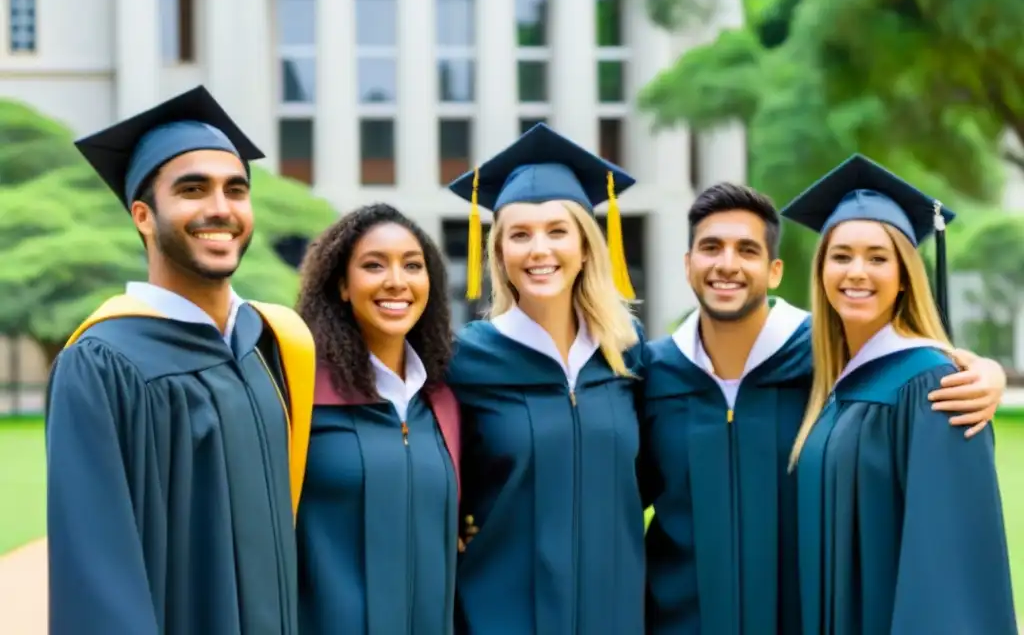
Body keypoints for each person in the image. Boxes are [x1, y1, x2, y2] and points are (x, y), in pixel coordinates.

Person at [641, 182, 1007, 635]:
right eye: (711, 247)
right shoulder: (652, 372)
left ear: (776, 270)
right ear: (687, 264)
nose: (727, 264)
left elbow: (946, 558)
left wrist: (984, 371)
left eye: (878, 257)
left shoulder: (835, 366)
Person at [45, 86, 315, 635]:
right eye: (193, 189)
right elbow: (96, 578)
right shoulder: (102, 362)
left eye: (235, 190)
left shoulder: (270, 343)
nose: (221, 208)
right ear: (143, 215)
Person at [783, 154, 1017, 634]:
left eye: (878, 257)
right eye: (841, 255)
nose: (856, 272)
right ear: (821, 269)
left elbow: (948, 568)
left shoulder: (933, 384)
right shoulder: (830, 378)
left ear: (906, 274)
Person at [446, 123, 646, 635]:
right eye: (519, 235)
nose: (539, 250)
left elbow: (653, 471)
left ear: (585, 247)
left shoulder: (626, 352)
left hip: (614, 610)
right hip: (501, 614)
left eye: (558, 231)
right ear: (499, 254)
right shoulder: (464, 360)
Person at [293, 203, 461, 634]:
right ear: (343, 286)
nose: (396, 281)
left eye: (412, 265)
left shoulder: (443, 401)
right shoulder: (300, 395)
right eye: (373, 265)